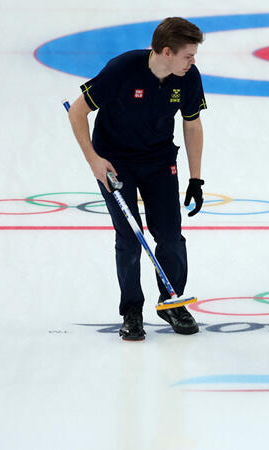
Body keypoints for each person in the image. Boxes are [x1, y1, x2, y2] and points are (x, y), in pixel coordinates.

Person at [67, 17, 207, 341]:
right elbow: (77, 111)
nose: (193, 62)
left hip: (159, 161)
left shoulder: (188, 77)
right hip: (115, 163)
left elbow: (192, 124)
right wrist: (94, 160)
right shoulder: (123, 69)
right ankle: (132, 311)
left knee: (170, 236)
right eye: (188, 55)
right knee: (130, 238)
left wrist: (196, 179)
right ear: (167, 52)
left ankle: (172, 303)